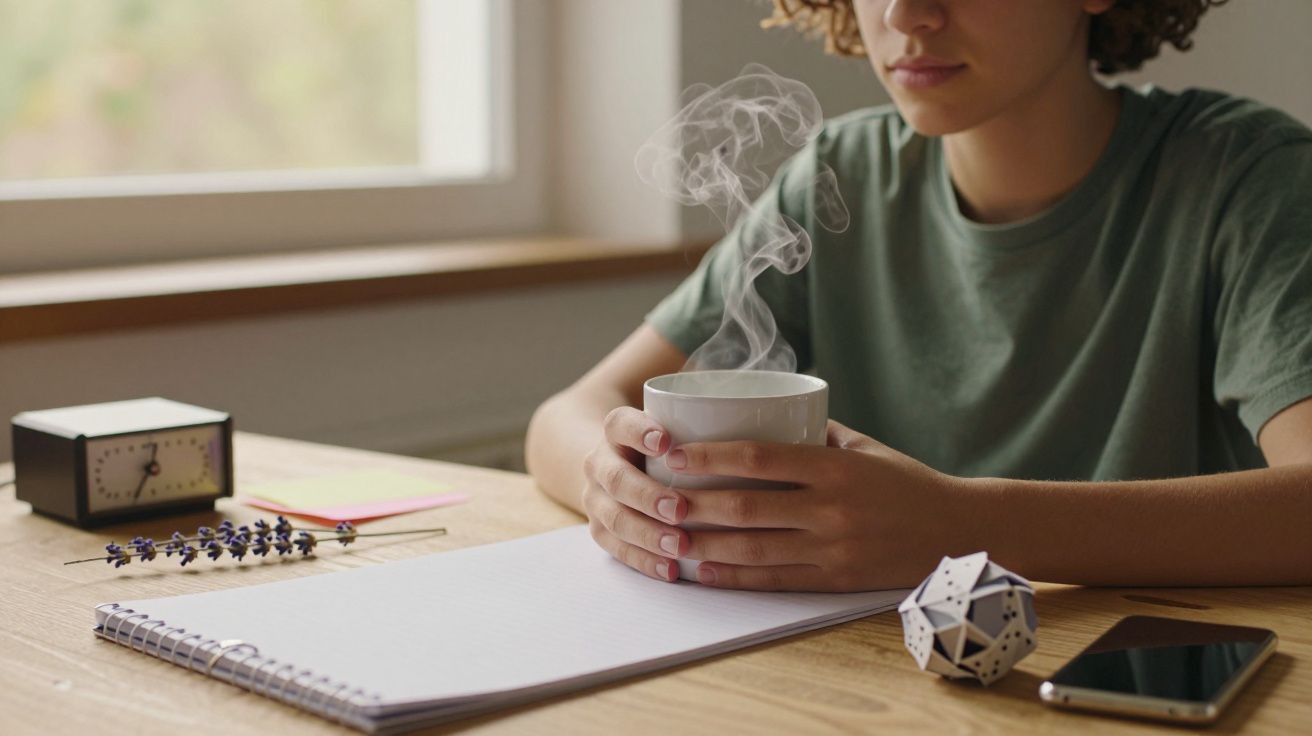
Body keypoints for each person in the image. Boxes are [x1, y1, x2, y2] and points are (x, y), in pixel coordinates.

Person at [525, 0, 1312, 591]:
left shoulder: (1247, 179)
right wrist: (616, 482)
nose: (906, 13)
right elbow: (569, 412)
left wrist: (966, 526)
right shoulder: (840, 176)